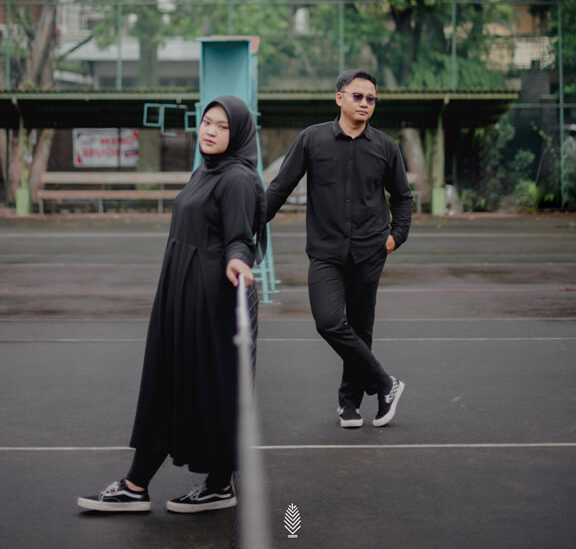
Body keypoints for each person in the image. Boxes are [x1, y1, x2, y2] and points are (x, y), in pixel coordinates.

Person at [77, 95, 266, 513]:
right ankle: (145, 485)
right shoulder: (205, 170)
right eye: (207, 122)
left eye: (222, 126)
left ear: (238, 134)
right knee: (172, 385)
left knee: (204, 391)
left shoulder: (236, 178)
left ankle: (205, 485)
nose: (210, 131)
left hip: (210, 303)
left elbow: (240, 237)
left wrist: (238, 259)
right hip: (182, 296)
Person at [266, 70, 412, 429]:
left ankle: (349, 404)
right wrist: (248, 223)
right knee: (329, 322)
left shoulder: (386, 147)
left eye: (371, 99)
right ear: (339, 98)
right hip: (325, 254)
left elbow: (402, 197)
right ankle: (385, 384)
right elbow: (280, 187)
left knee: (361, 329)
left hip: (370, 251)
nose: (365, 103)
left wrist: (395, 236)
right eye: (358, 96)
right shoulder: (311, 139)